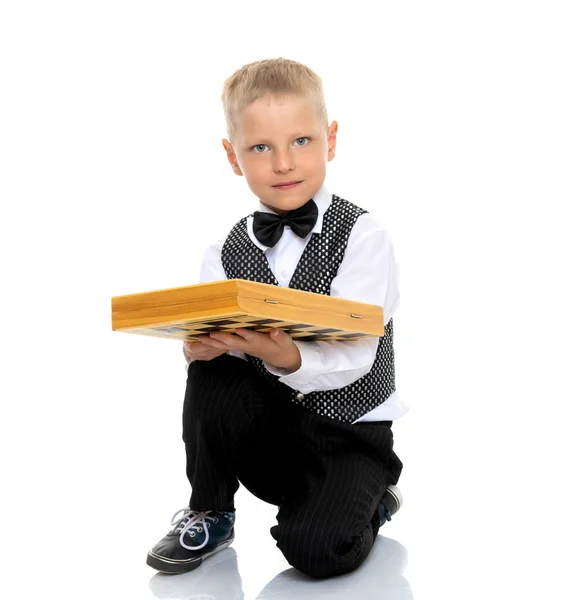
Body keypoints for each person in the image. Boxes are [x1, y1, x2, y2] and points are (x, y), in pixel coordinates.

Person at [146, 57, 408, 579]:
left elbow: (356, 357)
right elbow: (221, 360)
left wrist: (281, 353)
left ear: (330, 139)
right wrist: (198, 346)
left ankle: (373, 497)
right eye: (261, 148)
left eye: (301, 142)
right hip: (271, 438)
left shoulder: (363, 237)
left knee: (316, 552)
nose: (283, 163)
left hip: (346, 435)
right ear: (233, 156)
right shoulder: (224, 250)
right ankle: (211, 510)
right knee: (212, 370)